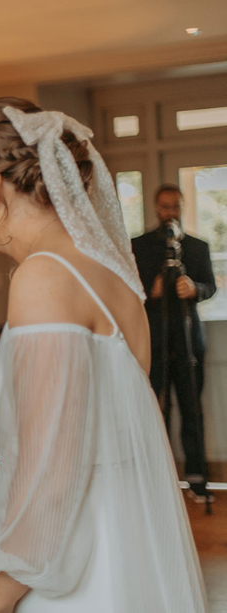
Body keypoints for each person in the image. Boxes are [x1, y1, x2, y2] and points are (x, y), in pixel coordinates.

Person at [0, 97, 206, 613]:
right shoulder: (111, 274)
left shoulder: (44, 277)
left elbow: (54, 462)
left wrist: (1, 590)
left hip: (74, 565)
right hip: (123, 536)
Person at [132, 184, 217, 502]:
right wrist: (149, 292)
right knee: (156, 411)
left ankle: (198, 481)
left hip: (189, 341)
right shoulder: (138, 247)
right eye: (165, 206)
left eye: (175, 207)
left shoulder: (197, 246)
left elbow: (210, 286)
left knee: (192, 412)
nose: (170, 212)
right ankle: (159, 481)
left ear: (182, 207)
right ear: (156, 208)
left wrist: (194, 288)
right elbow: (128, 292)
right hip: (154, 341)